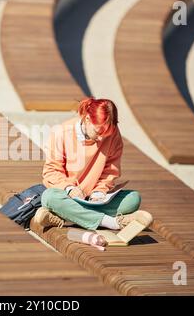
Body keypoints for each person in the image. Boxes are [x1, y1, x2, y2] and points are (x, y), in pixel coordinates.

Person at [33, 97, 145, 231]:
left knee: (133, 199)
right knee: (49, 197)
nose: (101, 138)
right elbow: (51, 171)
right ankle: (112, 222)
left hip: (95, 200)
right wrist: (70, 189)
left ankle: (67, 217)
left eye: (107, 134)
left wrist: (99, 193)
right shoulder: (61, 132)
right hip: (67, 196)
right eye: (98, 132)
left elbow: (110, 171)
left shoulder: (113, 134)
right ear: (87, 119)